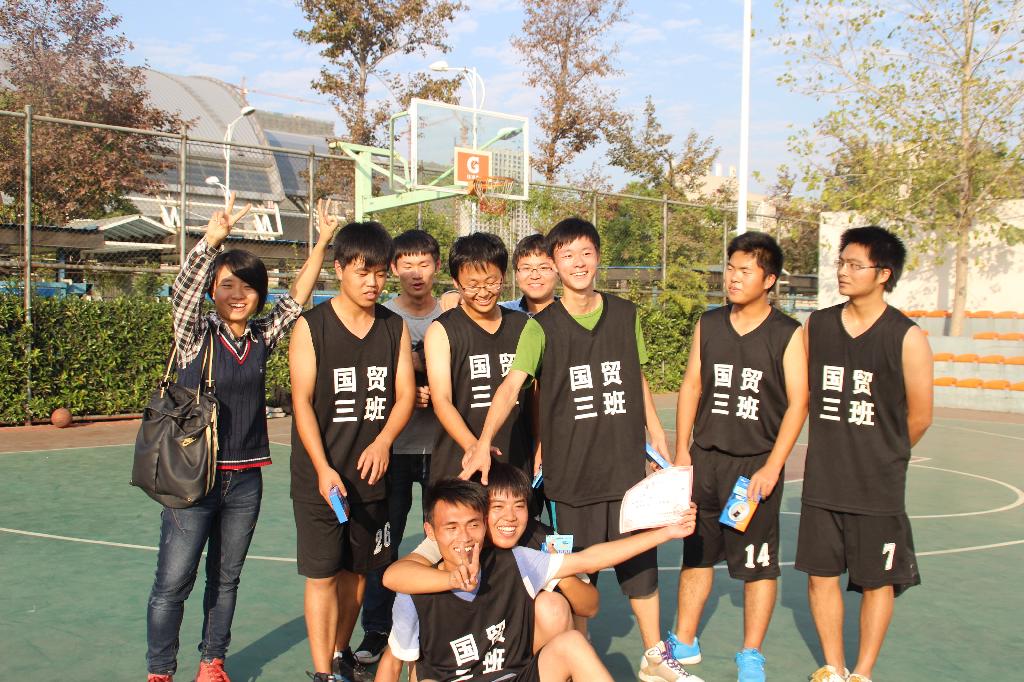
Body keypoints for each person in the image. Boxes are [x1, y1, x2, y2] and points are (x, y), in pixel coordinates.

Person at [461, 217, 689, 681]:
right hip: (572, 476)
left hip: (625, 468)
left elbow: (638, 377)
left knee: (641, 569)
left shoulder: (625, 315)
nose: (578, 263)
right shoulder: (540, 328)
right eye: (567, 255)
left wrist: (657, 433)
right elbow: (510, 388)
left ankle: (654, 656)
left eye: (586, 253)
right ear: (555, 264)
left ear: (598, 257)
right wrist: (483, 442)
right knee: (580, 577)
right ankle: (579, 658)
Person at [146, 196, 340, 682]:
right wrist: (211, 242)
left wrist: (322, 243)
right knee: (173, 582)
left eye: (248, 286)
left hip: (245, 480)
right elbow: (183, 293)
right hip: (193, 478)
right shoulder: (195, 335)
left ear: (258, 294)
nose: (238, 294)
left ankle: (212, 662)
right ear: (213, 290)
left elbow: (297, 297)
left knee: (226, 579)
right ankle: (160, 670)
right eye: (227, 285)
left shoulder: (259, 338)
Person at [382, 478, 697, 682]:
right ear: (431, 532)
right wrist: (452, 578)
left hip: (514, 676)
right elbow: (394, 662)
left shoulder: (516, 560)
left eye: (473, 525)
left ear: (484, 525)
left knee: (572, 643)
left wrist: (667, 532)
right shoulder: (415, 588)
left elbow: (590, 559)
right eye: (451, 528)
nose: (464, 537)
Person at [797, 226, 933, 682]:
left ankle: (863, 672)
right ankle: (833, 667)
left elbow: (921, 416)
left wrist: (883, 456)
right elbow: (799, 393)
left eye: (855, 265)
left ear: (883, 274)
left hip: (878, 486)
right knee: (821, 576)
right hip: (823, 480)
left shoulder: (907, 337)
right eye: (841, 262)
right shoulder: (818, 326)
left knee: (878, 580)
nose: (843, 271)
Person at [671, 232, 808, 682]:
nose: (732, 277)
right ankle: (684, 640)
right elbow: (692, 385)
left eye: (745, 270)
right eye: (730, 268)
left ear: (769, 280)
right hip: (705, 460)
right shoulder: (709, 324)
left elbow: (798, 403)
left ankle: (751, 653)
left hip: (754, 468)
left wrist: (772, 466)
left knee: (757, 566)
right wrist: (682, 450)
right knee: (696, 554)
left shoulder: (787, 334)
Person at [289, 221, 416, 682]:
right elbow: (302, 402)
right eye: (363, 272)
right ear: (339, 268)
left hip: (371, 476)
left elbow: (405, 394)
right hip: (321, 479)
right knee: (323, 575)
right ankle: (323, 672)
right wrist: (323, 469)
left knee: (359, 574)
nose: (372, 283)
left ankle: (341, 652)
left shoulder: (393, 327)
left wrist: (383, 441)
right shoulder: (311, 326)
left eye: (380, 273)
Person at [372, 463, 599, 682]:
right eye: (497, 507)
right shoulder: (459, 539)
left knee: (553, 606)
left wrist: (558, 571)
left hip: (515, 654)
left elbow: (589, 607)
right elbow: (395, 576)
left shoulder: (541, 539)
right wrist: (454, 579)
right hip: (456, 651)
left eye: (519, 505)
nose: (510, 517)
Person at [356, 230, 444, 666]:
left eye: (424, 263)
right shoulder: (382, 316)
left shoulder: (452, 312)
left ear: (437, 268)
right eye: (406, 264)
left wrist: (437, 389)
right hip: (392, 450)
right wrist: (407, 391)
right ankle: (377, 628)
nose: (416, 273)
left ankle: (436, 625)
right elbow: (371, 375)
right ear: (394, 268)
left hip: (441, 449)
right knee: (383, 542)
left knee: (441, 539)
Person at [424, 233, 533, 482]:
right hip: (459, 464)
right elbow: (441, 400)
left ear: (503, 276)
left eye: (491, 282)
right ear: (456, 282)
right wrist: (474, 447)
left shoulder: (523, 326)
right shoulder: (441, 331)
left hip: (515, 462)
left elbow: (534, 400)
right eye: (472, 285)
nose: (483, 292)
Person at [500, 233, 559, 316]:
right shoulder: (502, 313)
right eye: (526, 268)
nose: (535, 276)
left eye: (543, 268)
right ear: (516, 274)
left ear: (558, 271)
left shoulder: (573, 313)